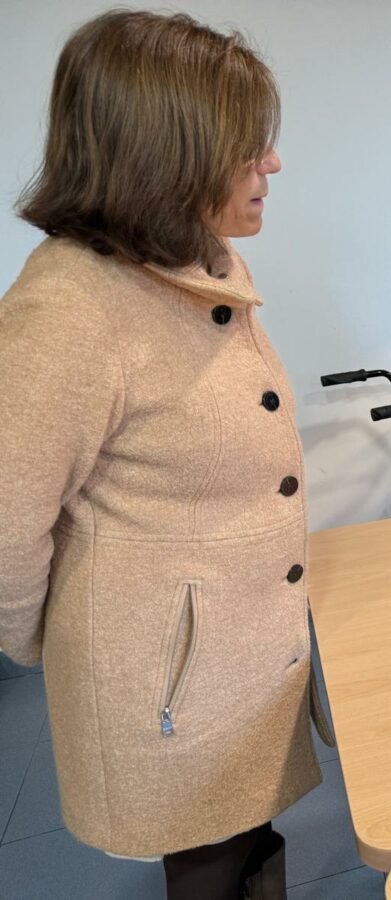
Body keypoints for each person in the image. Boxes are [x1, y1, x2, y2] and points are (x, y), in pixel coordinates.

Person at [0, 11, 331, 898]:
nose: (273, 164)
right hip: (173, 686)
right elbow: (5, 526)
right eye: (249, 144)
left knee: (245, 850)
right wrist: (75, 646)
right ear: (166, 153)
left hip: (228, 660)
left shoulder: (193, 261)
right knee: (212, 871)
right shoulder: (69, 307)